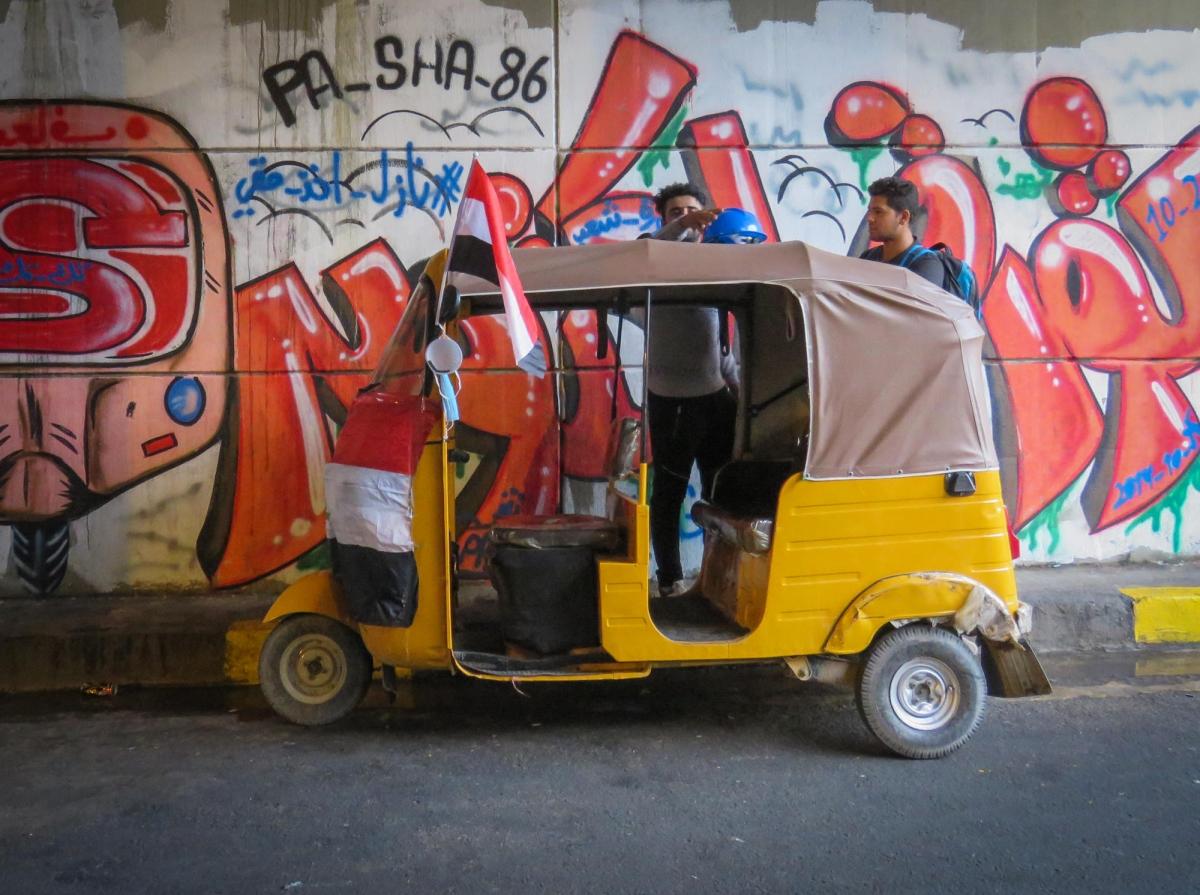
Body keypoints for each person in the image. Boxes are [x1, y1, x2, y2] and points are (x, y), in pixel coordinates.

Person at [636, 186, 759, 597]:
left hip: (714, 395)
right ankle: (670, 577)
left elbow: (717, 340)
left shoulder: (712, 266)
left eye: (692, 210)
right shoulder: (651, 263)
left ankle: (716, 574)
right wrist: (682, 226)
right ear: (664, 218)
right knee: (668, 492)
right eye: (676, 212)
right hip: (670, 399)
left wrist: (737, 386)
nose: (687, 217)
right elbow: (642, 250)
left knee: (720, 491)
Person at [859, 176, 947, 289]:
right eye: (870, 211)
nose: (870, 218)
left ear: (904, 217)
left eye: (878, 212)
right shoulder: (868, 257)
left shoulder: (926, 265)